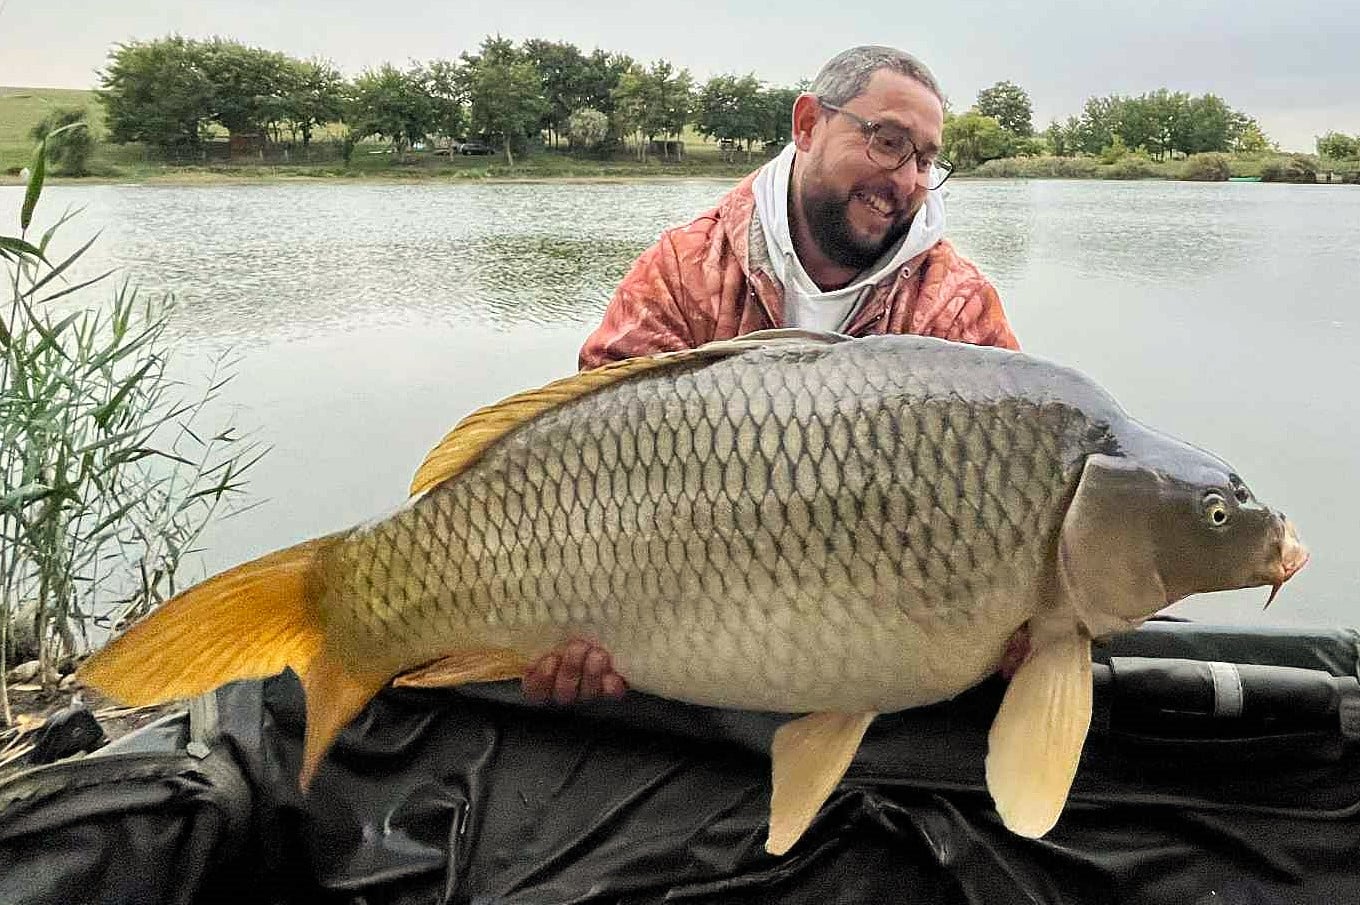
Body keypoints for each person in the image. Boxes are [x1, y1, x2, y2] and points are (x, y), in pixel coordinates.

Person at [523, 45, 1021, 706]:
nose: (906, 179)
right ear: (808, 124)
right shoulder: (684, 268)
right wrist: (562, 625)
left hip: (877, 645)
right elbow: (586, 451)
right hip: (678, 622)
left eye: (926, 160)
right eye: (888, 142)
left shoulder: (955, 307)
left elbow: (1011, 490)